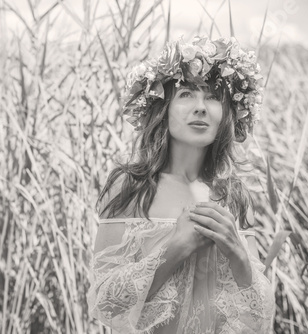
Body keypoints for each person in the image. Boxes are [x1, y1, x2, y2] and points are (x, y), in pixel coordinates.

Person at [86, 36, 275, 333]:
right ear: (162, 109)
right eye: (186, 93)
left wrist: (238, 253)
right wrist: (176, 247)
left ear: (226, 113)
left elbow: (260, 318)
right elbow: (107, 303)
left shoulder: (234, 195)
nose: (201, 108)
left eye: (212, 96)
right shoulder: (131, 187)